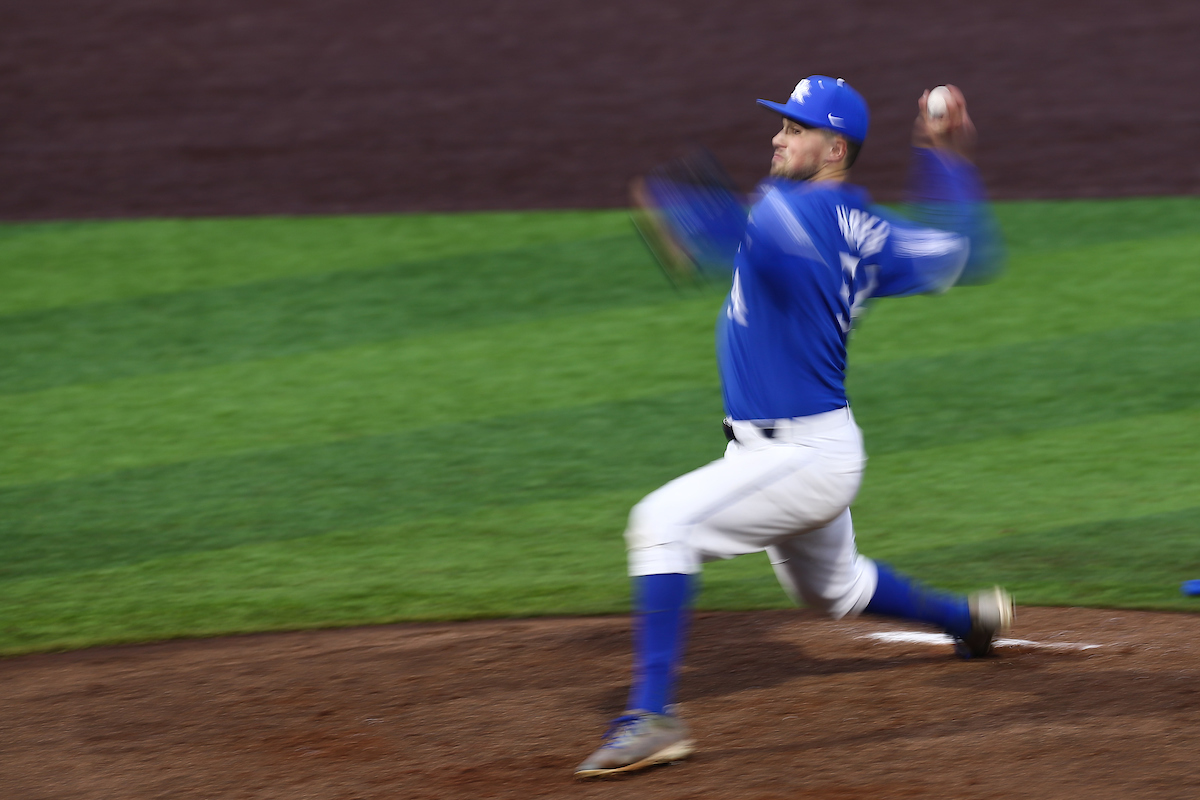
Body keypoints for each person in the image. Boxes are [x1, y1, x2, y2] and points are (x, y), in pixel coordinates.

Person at [574, 76, 1012, 779]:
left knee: (660, 525)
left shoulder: (785, 214)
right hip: (814, 446)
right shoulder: (871, 231)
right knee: (831, 590)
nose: (777, 138)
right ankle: (969, 619)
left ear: (834, 147)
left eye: (794, 129)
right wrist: (942, 155)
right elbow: (969, 251)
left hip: (799, 455)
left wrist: (679, 212)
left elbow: (713, 237)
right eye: (779, 126)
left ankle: (652, 718)